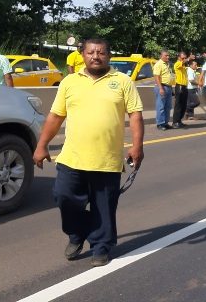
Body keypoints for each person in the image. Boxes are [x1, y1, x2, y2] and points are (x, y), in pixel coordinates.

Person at [32, 38, 144, 267]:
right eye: (91, 52)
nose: (96, 56)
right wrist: (41, 145)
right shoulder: (69, 82)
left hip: (107, 160)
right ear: (82, 55)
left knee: (104, 207)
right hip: (71, 158)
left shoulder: (122, 81)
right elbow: (55, 116)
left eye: (101, 52)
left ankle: (101, 246)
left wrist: (137, 146)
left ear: (109, 56)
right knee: (63, 197)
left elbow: (135, 115)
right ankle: (77, 232)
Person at [172, 52, 189, 128]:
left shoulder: (183, 66)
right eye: (183, 58)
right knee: (178, 105)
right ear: (179, 58)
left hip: (184, 86)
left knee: (184, 105)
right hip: (179, 86)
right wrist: (188, 59)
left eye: (185, 58)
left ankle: (179, 120)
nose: (184, 59)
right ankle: (175, 122)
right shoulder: (177, 64)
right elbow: (181, 63)